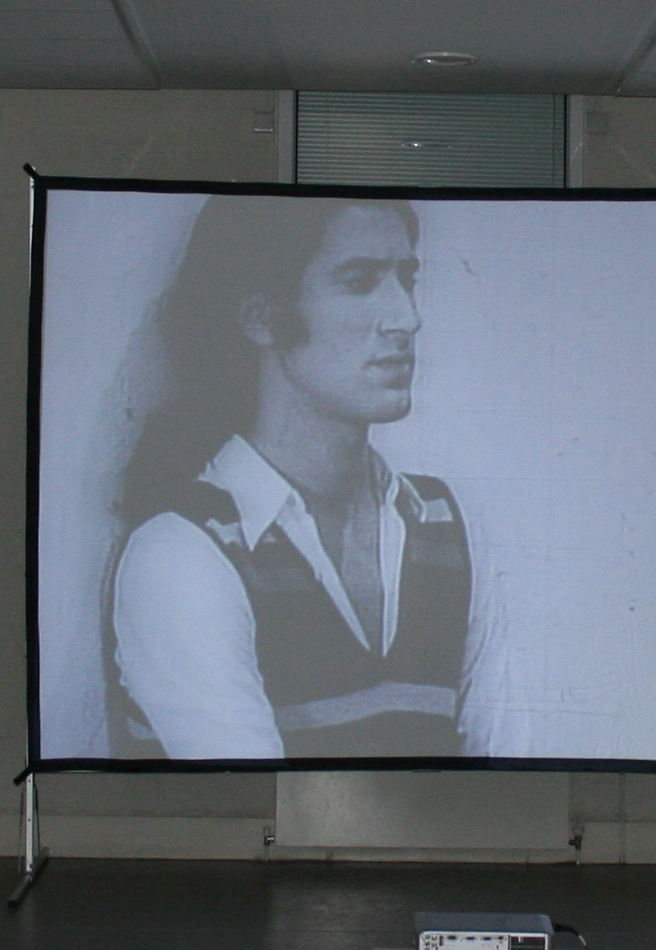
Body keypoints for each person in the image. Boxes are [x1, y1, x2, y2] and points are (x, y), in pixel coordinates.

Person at [109, 194, 511, 759]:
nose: (407, 318)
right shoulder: (182, 552)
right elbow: (259, 813)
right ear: (262, 318)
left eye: (406, 278)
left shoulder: (444, 523)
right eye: (360, 282)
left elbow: (509, 776)